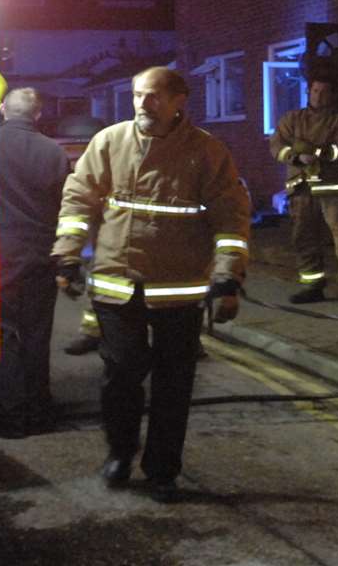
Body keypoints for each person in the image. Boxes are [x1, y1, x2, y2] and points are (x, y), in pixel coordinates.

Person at [51, 67, 251, 503]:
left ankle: (163, 469)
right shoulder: (110, 141)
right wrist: (68, 253)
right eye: (139, 95)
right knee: (121, 374)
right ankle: (120, 452)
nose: (143, 104)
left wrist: (226, 277)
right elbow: (79, 197)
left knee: (174, 384)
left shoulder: (206, 151)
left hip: (178, 289)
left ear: (180, 100)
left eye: (154, 96)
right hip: (117, 283)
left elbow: (231, 219)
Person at [0, 87, 70, 438]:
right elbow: (64, 204)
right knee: (37, 335)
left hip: (0, 255)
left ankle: (8, 415)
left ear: (1, 110)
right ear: (38, 115)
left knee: (1, 334)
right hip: (43, 255)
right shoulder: (55, 152)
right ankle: (40, 410)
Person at [270, 70, 338, 305]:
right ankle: (312, 286)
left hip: (332, 190)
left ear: (332, 95)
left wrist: (315, 152)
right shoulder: (292, 119)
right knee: (304, 238)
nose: (318, 96)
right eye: (315, 91)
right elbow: (277, 146)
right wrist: (295, 157)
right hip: (302, 189)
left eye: (324, 92)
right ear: (308, 91)